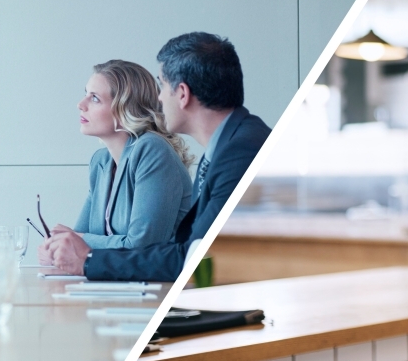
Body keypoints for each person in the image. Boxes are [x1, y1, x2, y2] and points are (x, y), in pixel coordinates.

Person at [40, 32, 271, 281]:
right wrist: (67, 248)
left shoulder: (238, 151)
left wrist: (86, 254)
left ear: (182, 93)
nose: (159, 98)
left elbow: (190, 256)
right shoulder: (222, 150)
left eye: (162, 86)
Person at [43, 60, 192, 253]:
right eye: (85, 94)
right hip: (116, 281)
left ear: (125, 109)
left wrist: (78, 242)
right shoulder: (101, 162)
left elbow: (143, 248)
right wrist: (56, 249)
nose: (81, 104)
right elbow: (76, 240)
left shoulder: (151, 149)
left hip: (162, 282)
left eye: (95, 98)